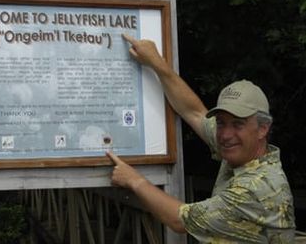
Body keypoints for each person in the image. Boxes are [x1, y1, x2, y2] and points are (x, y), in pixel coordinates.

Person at [106, 34, 296, 243]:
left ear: (263, 129)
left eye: (237, 124)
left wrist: (133, 180)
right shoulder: (244, 151)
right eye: (221, 122)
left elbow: (180, 220)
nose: (224, 134)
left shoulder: (254, 189)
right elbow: (194, 112)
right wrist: (157, 63)